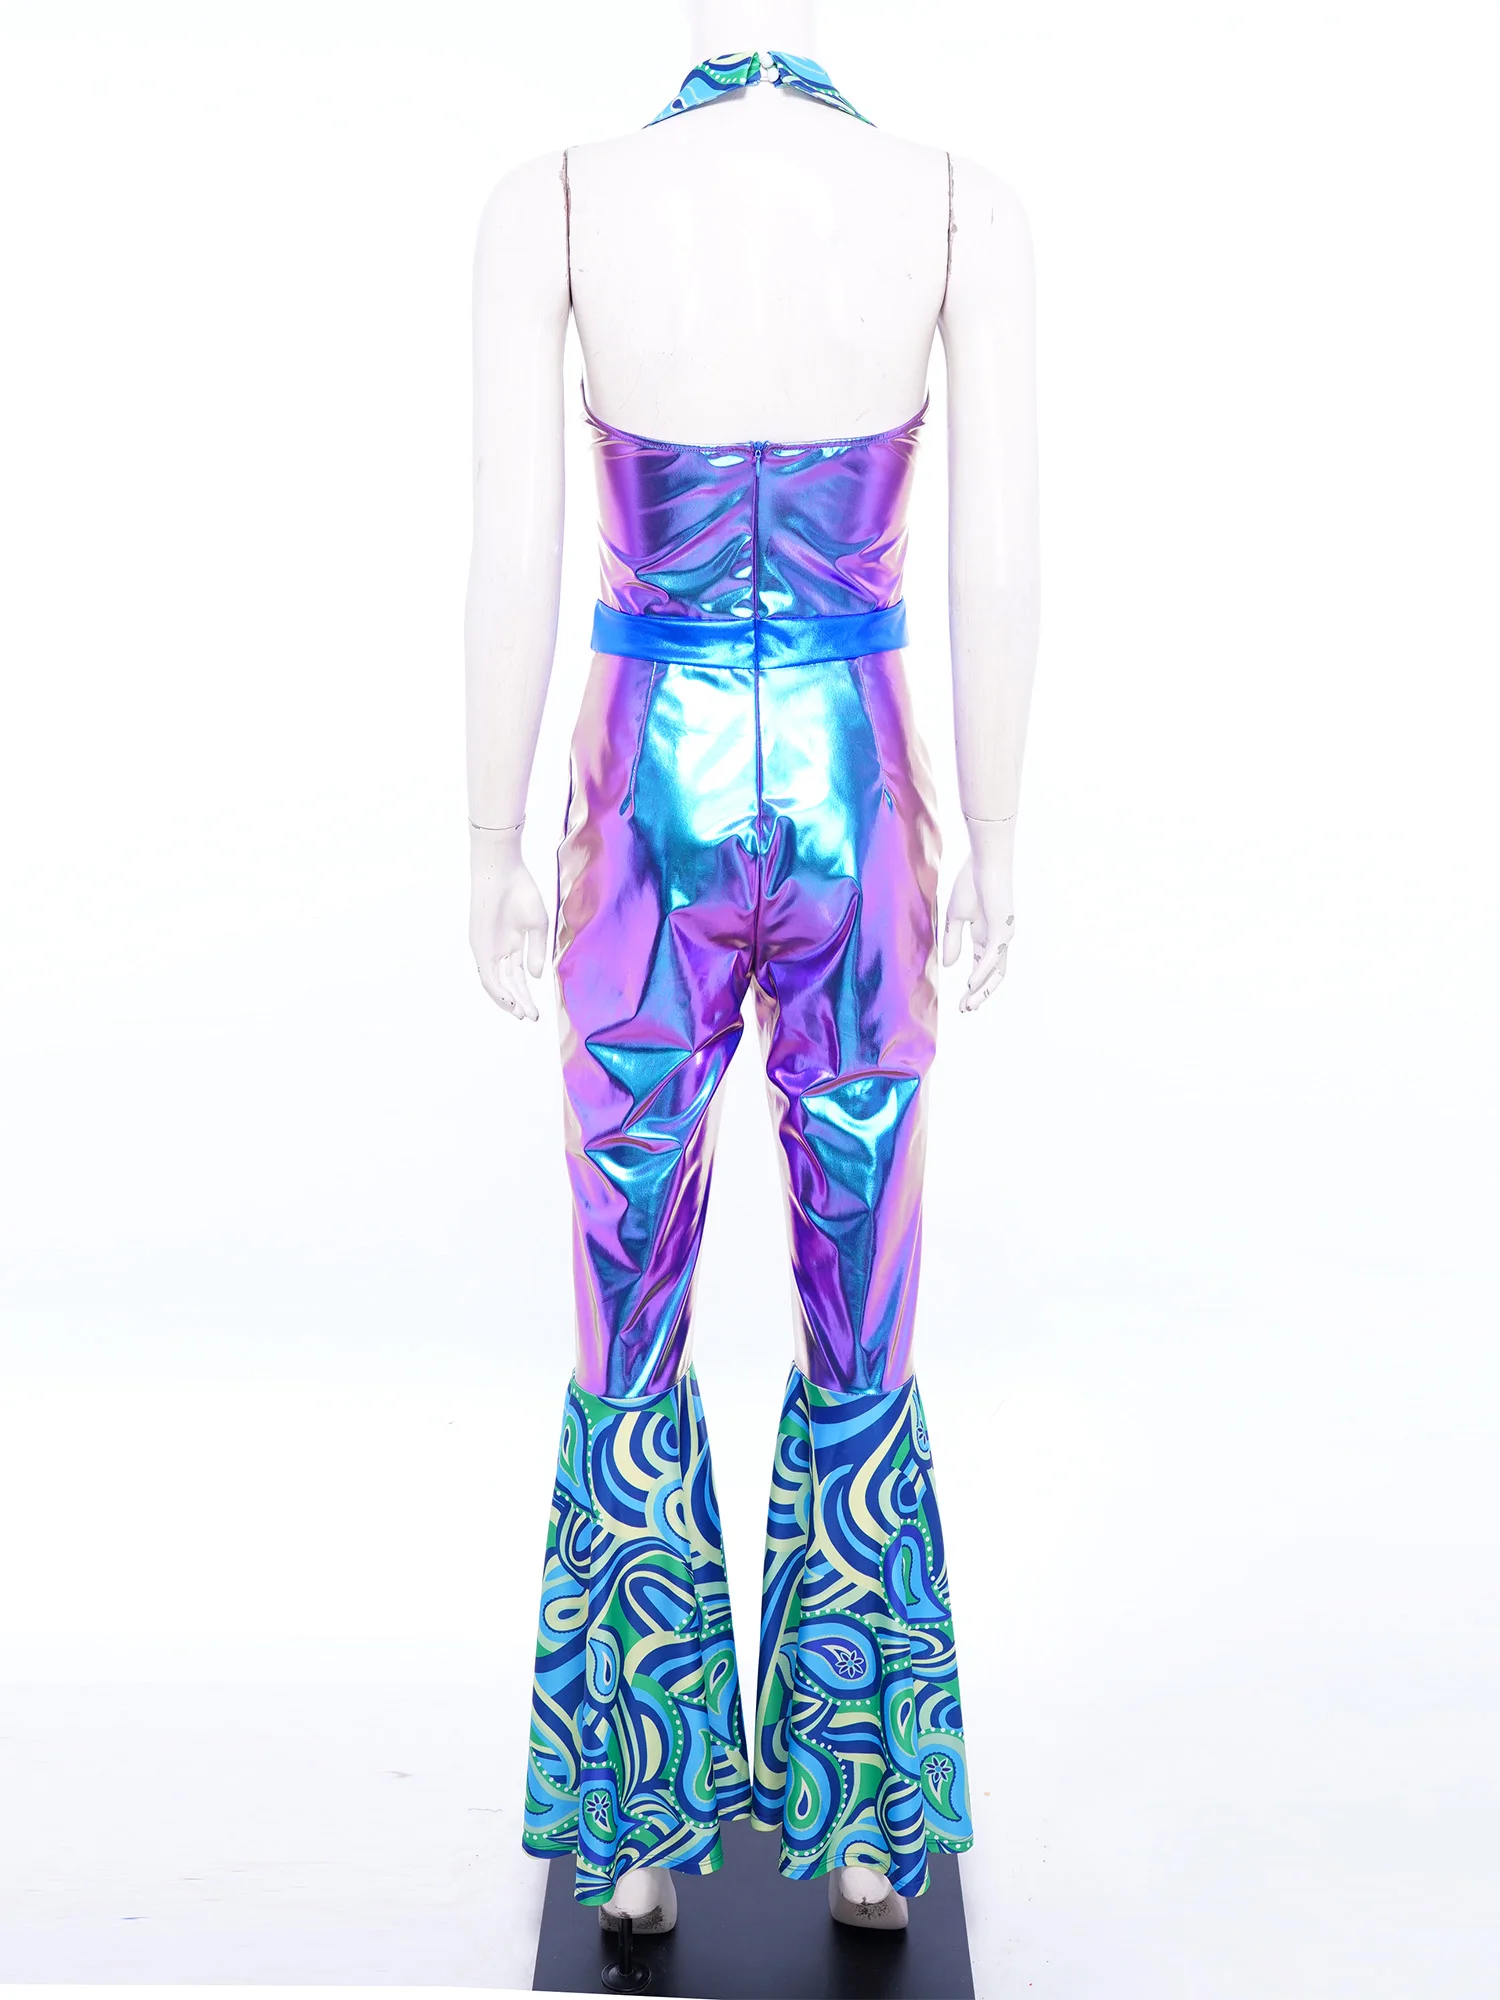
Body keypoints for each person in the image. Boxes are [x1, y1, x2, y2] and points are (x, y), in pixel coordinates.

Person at [465, 8, 1039, 1940]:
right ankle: (865, 1827)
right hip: (861, 776)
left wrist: (488, 830)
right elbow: (1000, 556)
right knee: (863, 1289)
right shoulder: (951, 203)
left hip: (653, 784)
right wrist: (996, 825)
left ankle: (637, 1827)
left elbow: (513, 546)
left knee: (625, 1285)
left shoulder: (558, 199)